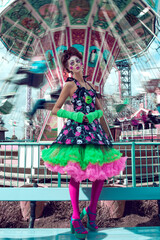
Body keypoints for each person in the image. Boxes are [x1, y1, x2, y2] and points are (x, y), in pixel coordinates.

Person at [41, 47, 127, 239]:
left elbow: (100, 111)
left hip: (94, 132)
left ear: (81, 62)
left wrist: (101, 125)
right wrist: (76, 115)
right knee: (76, 174)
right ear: (68, 69)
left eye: (77, 61)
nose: (75, 64)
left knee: (100, 174)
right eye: (71, 63)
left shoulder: (90, 87)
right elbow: (55, 110)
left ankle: (92, 210)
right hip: (77, 131)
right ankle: (75, 217)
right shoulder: (69, 85)